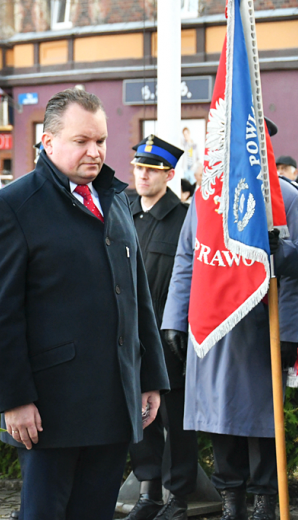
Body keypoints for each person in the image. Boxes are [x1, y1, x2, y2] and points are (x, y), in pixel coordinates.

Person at [0, 88, 170, 520]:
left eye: (100, 141)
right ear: (48, 142)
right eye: (81, 141)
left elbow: (136, 297)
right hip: (49, 408)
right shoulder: (11, 207)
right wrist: (14, 399)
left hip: (112, 401)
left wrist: (149, 376)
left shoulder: (115, 199)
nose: (94, 151)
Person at [161, 172, 298, 520]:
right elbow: (187, 258)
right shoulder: (207, 195)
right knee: (219, 417)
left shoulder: (284, 195)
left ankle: (265, 503)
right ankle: (232, 501)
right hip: (213, 326)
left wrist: (289, 332)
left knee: (262, 421)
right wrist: (175, 319)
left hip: (261, 329)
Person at [124, 136, 196, 520]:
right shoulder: (123, 210)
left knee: (176, 420)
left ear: (169, 174)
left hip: (170, 338)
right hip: (130, 336)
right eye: (139, 167)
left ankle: (179, 498)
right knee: (140, 417)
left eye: (152, 169)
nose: (143, 175)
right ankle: (149, 493)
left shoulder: (184, 218)